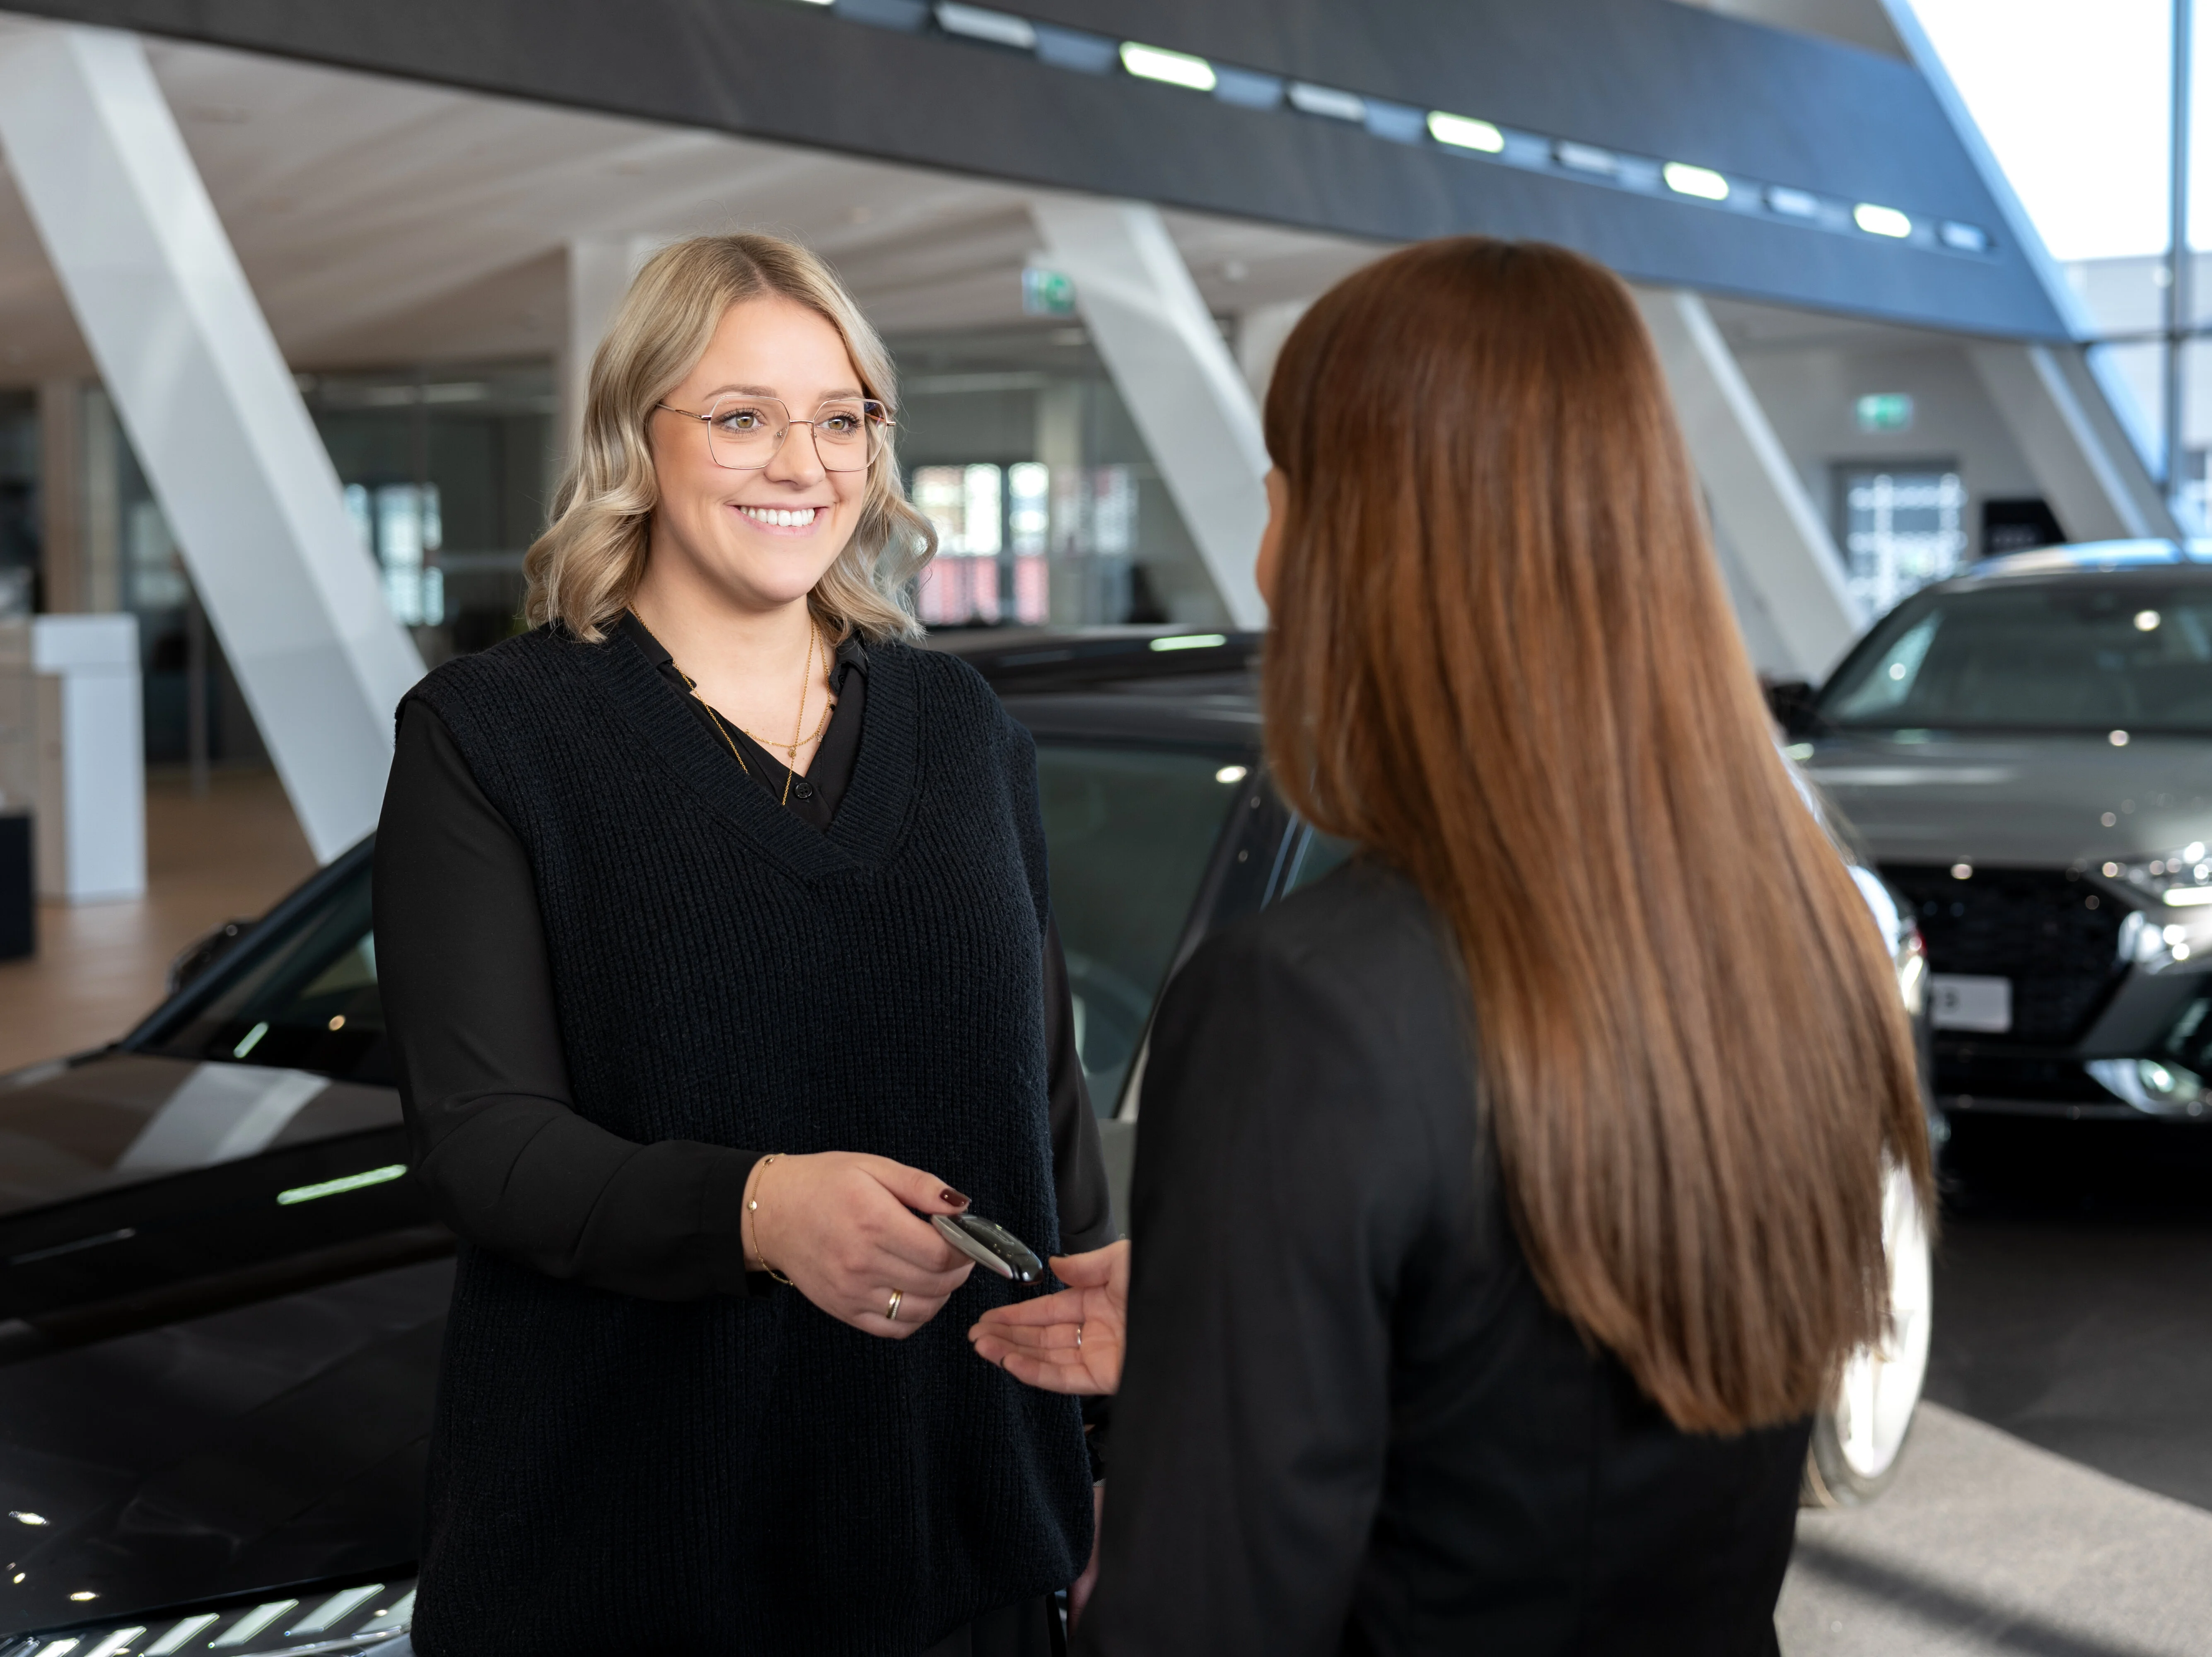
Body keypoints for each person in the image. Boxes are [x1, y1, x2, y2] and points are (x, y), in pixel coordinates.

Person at [971, 237, 1932, 1655]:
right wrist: (1232, 1328)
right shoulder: (1792, 944)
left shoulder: (1304, 1005)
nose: (1265, 555)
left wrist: (1222, 1364)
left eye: (1278, 497)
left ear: (1355, 546)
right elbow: (1547, 1404)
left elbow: (1205, 1622)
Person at [374, 232, 1112, 1657]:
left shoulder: (962, 733)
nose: (804, 463)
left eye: (841, 418)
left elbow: (1048, 1110)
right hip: (629, 1566)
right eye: (741, 417)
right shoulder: (493, 737)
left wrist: (1105, 1443)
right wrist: (759, 1212)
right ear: (633, 440)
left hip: (961, 1549)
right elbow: (484, 1139)